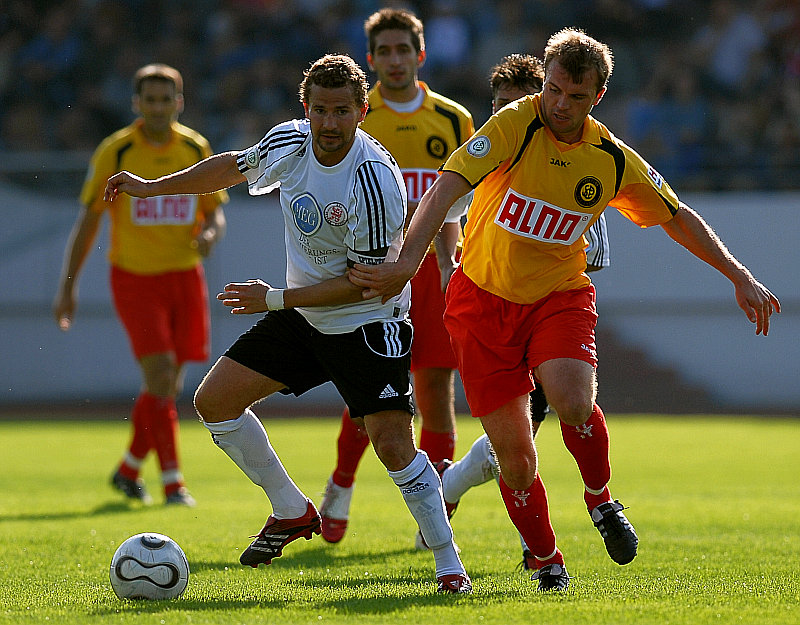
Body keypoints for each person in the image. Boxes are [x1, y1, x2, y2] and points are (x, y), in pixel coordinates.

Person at [348, 29, 780, 592]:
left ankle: (600, 499)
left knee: (574, 400)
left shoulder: (609, 158)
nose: (559, 104)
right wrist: (409, 261)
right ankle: (546, 558)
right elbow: (446, 186)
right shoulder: (515, 123)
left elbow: (675, 215)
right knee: (516, 459)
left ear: (597, 96)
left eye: (575, 97)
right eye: (552, 90)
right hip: (480, 303)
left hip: (558, 296)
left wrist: (739, 276)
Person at [103, 54, 472, 594]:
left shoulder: (374, 180)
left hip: (368, 322)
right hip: (304, 314)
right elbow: (232, 167)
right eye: (320, 110)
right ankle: (291, 509)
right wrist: (151, 187)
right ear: (306, 108)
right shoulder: (290, 143)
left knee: (394, 446)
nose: (329, 123)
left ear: (362, 112)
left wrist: (275, 299)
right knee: (215, 402)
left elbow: (369, 284)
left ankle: (448, 563)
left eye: (341, 111)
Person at [439, 52, 619, 572]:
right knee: (513, 449)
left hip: (544, 312)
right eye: (500, 105)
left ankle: (541, 540)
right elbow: (444, 208)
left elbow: (594, 250)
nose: (509, 115)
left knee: (548, 419)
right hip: (484, 307)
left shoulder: (577, 163)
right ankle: (461, 491)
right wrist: (451, 263)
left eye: (517, 104)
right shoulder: (485, 154)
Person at [318, 7, 475, 548]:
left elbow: (458, 202)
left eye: (402, 49)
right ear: (370, 59)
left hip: (432, 271)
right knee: (371, 393)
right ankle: (341, 484)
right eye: (383, 51)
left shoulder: (452, 119)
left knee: (435, 389)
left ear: (420, 54)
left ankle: (433, 516)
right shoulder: (357, 115)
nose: (394, 60)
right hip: (371, 270)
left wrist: (451, 265)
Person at [53, 63, 228, 507]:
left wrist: (210, 234)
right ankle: (173, 484)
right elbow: (89, 221)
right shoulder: (116, 152)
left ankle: (129, 469)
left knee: (167, 386)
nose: (158, 108)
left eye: (165, 99)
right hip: (135, 280)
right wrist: (68, 287)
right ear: (136, 104)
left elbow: (215, 212)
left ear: (179, 103)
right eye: (150, 100)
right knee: (162, 375)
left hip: (185, 276)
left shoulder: (194, 147)